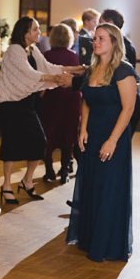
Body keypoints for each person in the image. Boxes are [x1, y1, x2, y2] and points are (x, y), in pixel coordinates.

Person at [67, 23, 138, 262]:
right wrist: (83, 128)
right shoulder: (93, 69)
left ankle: (106, 243)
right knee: (92, 184)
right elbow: (87, 100)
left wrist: (112, 141)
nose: (95, 42)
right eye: (95, 38)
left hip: (113, 135)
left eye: (101, 39)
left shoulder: (123, 70)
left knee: (109, 188)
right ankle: (89, 237)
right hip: (93, 133)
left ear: (114, 43)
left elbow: (128, 109)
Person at [0, 17, 82, 203]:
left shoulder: (33, 50)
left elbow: (49, 67)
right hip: (9, 103)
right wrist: (57, 79)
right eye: (35, 30)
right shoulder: (14, 51)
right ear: (25, 33)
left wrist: (77, 69)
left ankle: (27, 180)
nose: (39, 33)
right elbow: (30, 74)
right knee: (11, 143)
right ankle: (7, 185)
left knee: (40, 142)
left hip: (26, 103)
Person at [40, 24, 82, 184]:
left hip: (52, 98)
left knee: (49, 135)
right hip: (71, 99)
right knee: (68, 135)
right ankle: (64, 171)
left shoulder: (46, 55)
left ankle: (49, 170)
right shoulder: (74, 56)